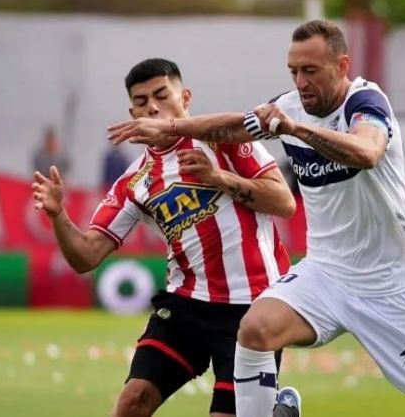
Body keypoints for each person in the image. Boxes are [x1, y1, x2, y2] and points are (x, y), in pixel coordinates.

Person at [108, 20, 405, 417]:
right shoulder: (290, 105)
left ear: (342, 66)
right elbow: (234, 126)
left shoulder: (365, 102)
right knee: (255, 329)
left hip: (391, 284)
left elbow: (366, 152)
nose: (301, 82)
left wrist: (296, 129)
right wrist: (171, 126)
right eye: (294, 71)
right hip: (326, 274)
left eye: (310, 71)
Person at [32, 58, 302, 417]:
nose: (153, 107)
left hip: (252, 307)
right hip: (186, 304)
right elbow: (86, 256)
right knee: (133, 401)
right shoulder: (134, 182)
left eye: (162, 95)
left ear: (185, 98)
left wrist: (219, 179)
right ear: (133, 114)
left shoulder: (224, 139)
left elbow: (285, 202)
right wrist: (58, 214)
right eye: (141, 101)